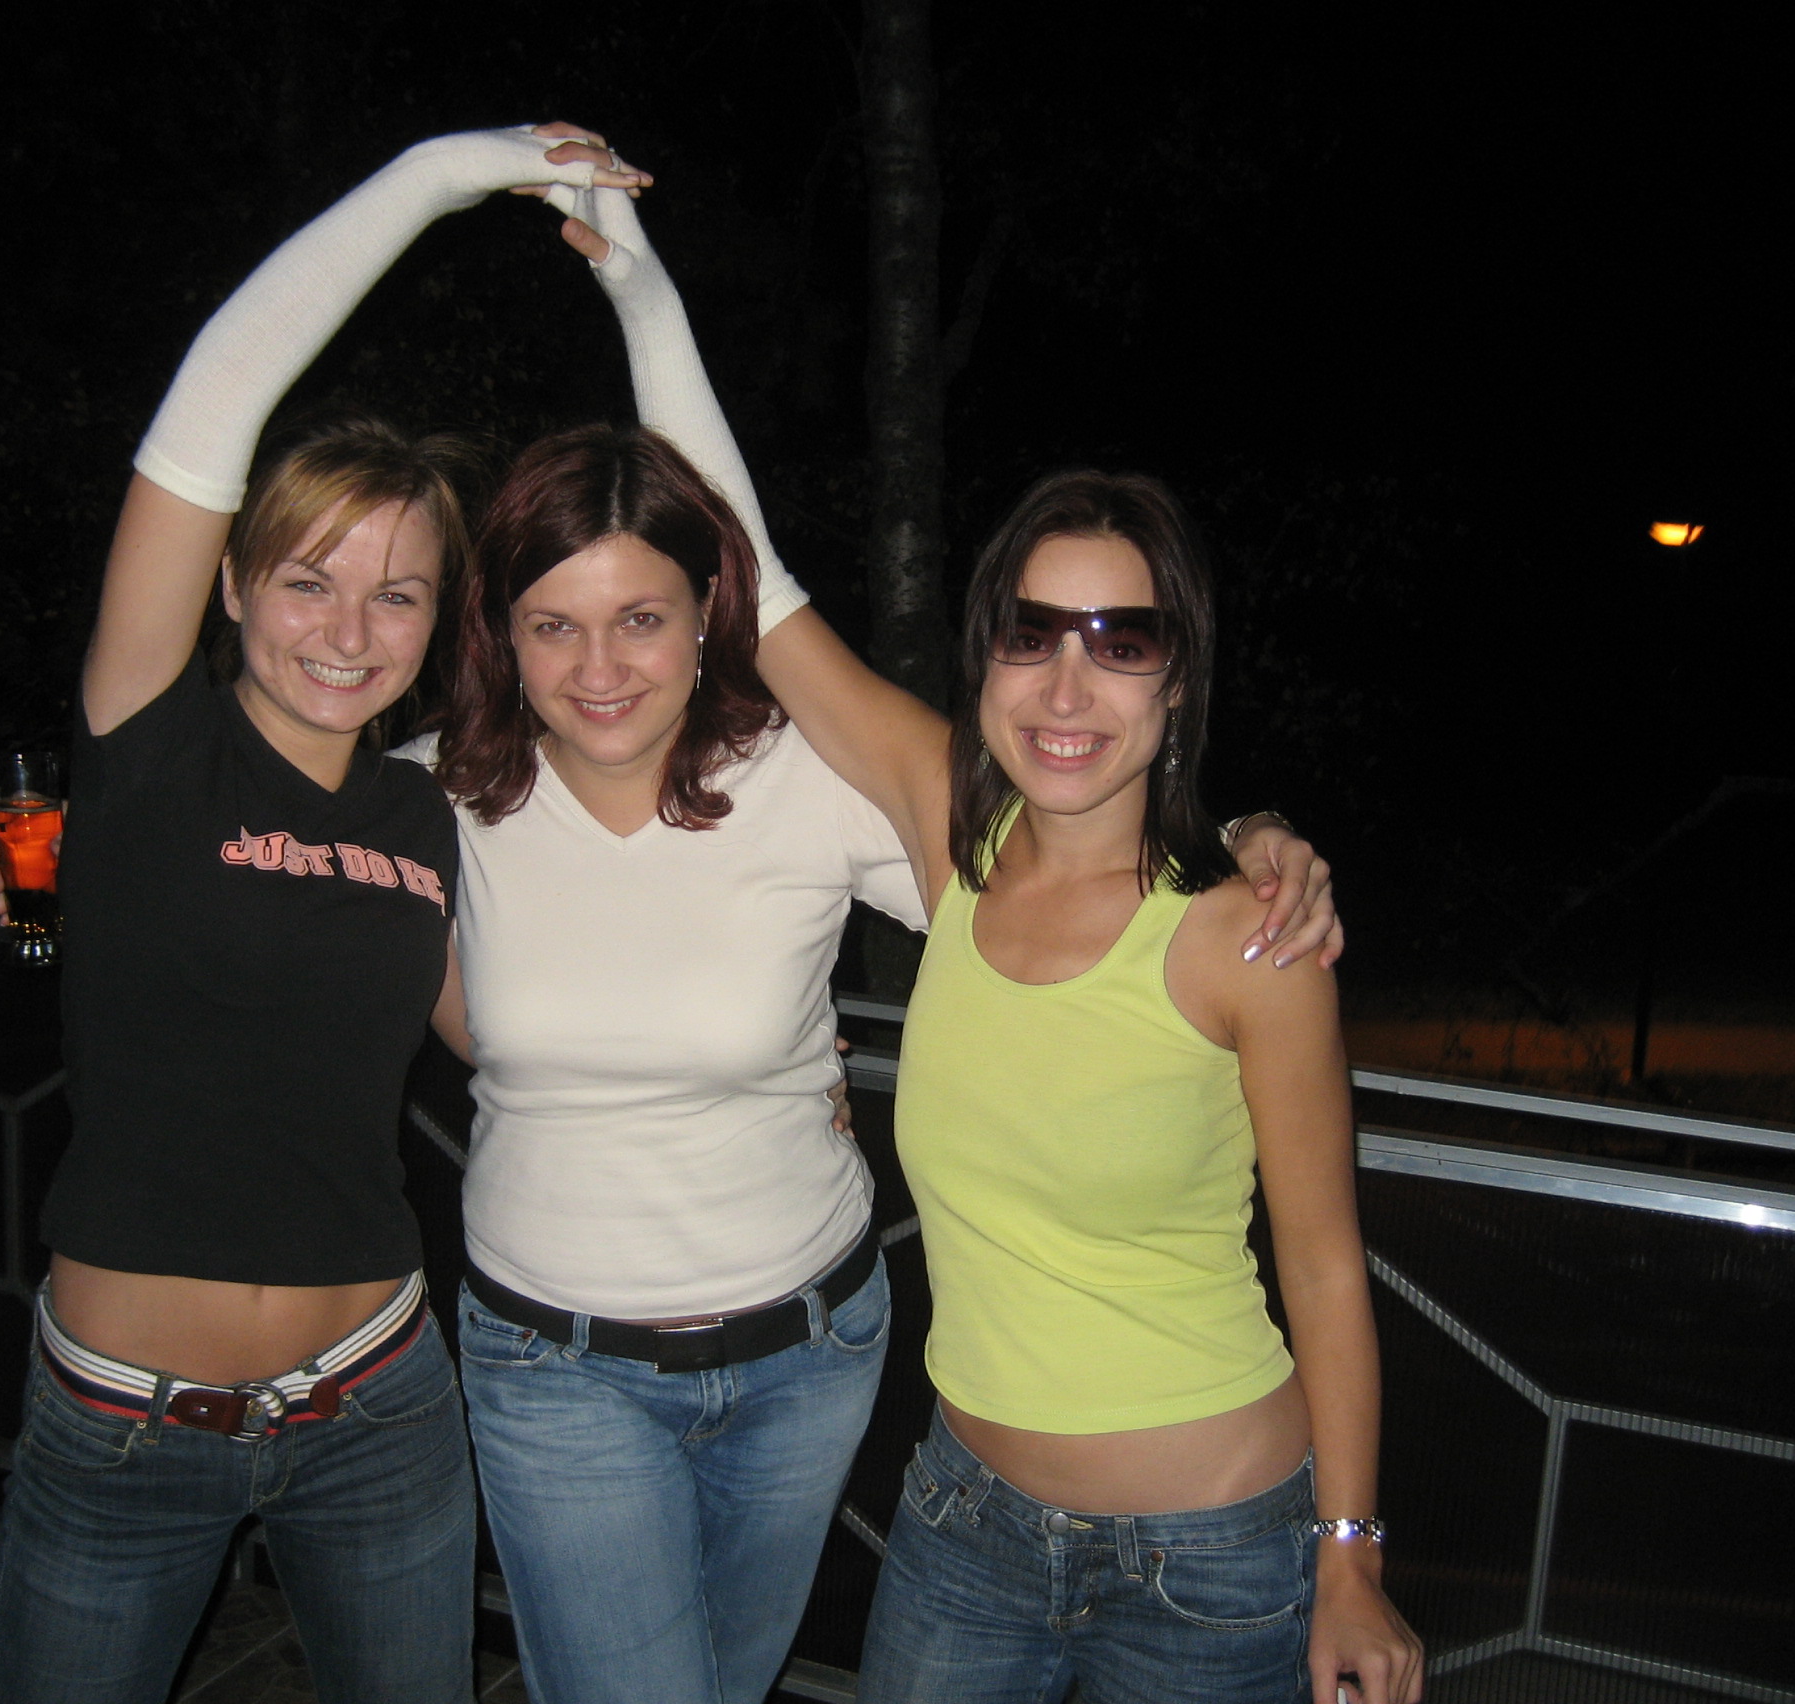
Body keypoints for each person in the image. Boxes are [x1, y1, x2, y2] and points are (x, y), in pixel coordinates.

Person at [393, 166, 1341, 1704]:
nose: (601, 664)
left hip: (842, 1367)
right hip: (611, 1375)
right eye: (553, 624)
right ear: (501, 636)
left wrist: (1249, 839)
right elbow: (272, 831)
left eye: (644, 617)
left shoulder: (820, 785)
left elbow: (1065, 836)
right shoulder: (434, 796)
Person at [0, 125, 649, 1704]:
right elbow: (216, 393)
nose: (350, 630)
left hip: (381, 1404)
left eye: (397, 593)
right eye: (307, 579)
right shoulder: (153, 743)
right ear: (230, 584)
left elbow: (527, 1034)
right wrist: (444, 174)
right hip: (124, 1420)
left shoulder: (430, 812)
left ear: (438, 621)